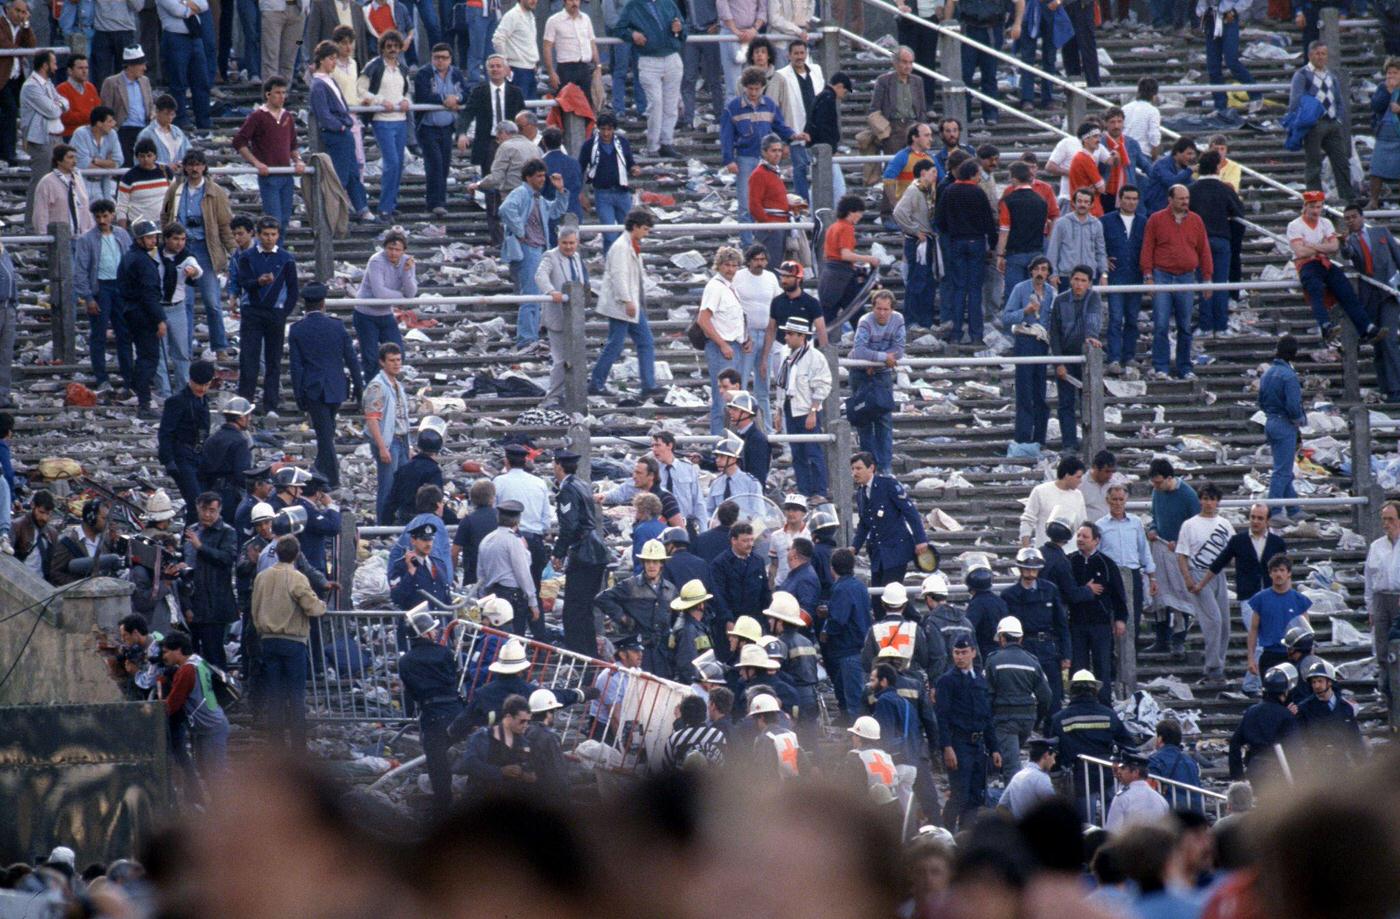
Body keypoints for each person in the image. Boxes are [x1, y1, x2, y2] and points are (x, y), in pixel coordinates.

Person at [251, 536, 327, 749]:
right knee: (295, 697)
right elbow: (312, 607)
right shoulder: (297, 578)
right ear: (296, 554)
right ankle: (298, 747)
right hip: (293, 642)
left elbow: (255, 608)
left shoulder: (262, 577)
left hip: (268, 640)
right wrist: (322, 605)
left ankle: (275, 746)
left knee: (275, 695)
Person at [288, 283, 363, 489]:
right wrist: (359, 388)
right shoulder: (337, 326)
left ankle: (331, 480)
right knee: (326, 432)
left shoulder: (297, 330)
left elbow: (296, 368)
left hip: (313, 389)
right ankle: (321, 473)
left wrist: (298, 395)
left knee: (324, 435)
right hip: (336, 388)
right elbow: (351, 360)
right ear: (323, 303)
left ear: (305, 305)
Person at [161, 150, 233, 360]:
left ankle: (220, 346)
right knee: (186, 302)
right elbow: (166, 216)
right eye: (190, 165)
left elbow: (224, 224)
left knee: (212, 301)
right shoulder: (176, 189)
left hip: (204, 248)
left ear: (204, 167)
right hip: (181, 249)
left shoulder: (214, 191)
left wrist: (233, 251)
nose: (194, 169)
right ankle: (185, 348)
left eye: (198, 165)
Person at [721, 69, 797, 250]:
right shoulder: (732, 107)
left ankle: (764, 240)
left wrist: (793, 136)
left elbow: (779, 126)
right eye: (750, 89)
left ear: (763, 87)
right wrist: (728, 159)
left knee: (766, 201)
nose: (753, 93)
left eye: (757, 89)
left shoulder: (770, 105)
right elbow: (726, 136)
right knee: (746, 202)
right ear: (744, 88)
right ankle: (748, 244)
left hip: (767, 160)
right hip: (745, 158)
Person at [1141, 184, 1210, 381]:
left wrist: (1207, 277)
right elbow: (1147, 248)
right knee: (1161, 324)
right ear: (1170, 199)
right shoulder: (1156, 219)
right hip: (1161, 275)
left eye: (1187, 198)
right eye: (1181, 198)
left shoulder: (1196, 220)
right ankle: (1161, 366)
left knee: (1185, 326)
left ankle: (1185, 367)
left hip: (1187, 276)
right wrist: (1148, 276)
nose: (1185, 202)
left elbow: (1204, 250)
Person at [396, 607, 463, 806]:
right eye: (433, 630)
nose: (436, 632)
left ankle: (443, 805)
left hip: (431, 715)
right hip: (455, 710)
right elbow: (453, 678)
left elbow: (412, 692)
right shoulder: (444, 653)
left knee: (437, 763)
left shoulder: (405, 661)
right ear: (425, 633)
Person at [589, 208, 658, 398]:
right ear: (635, 227)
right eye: (644, 229)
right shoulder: (621, 247)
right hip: (623, 305)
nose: (646, 233)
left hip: (631, 304)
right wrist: (627, 300)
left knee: (646, 342)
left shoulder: (632, 244)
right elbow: (618, 276)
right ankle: (596, 382)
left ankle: (649, 384)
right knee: (615, 345)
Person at [500, 160, 568, 351]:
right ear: (528, 177)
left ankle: (531, 336)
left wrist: (560, 191)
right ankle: (526, 338)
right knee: (531, 295)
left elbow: (555, 210)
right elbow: (505, 209)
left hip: (539, 248)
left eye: (543, 175)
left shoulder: (537, 197)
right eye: (538, 176)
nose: (542, 179)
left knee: (536, 295)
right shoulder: (521, 193)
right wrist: (520, 231)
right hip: (528, 250)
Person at [935, 638, 1001, 830]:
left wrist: (994, 748)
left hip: (978, 744)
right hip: (959, 743)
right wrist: (947, 747)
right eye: (956, 652)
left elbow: (986, 717)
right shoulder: (947, 681)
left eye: (964, 652)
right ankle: (945, 833)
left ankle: (965, 836)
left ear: (973, 652)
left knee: (975, 796)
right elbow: (942, 717)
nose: (960, 657)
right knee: (959, 794)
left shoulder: (979, 680)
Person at [234, 216, 298, 414]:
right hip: (252, 312)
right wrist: (258, 282)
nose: (270, 238)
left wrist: (284, 313)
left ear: (278, 235)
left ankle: (271, 404)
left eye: (273, 234)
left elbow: (293, 290)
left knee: (274, 362)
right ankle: (245, 404)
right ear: (258, 235)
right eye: (266, 234)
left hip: (275, 313)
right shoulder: (247, 256)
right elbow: (243, 282)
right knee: (249, 360)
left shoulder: (286, 258)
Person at [1050, 668, 1133, 817]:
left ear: (1072, 691)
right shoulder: (1108, 714)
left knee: (1086, 826)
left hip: (1079, 778)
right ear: (1095, 691)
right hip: (1107, 774)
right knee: (1113, 821)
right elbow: (1128, 744)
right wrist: (1119, 761)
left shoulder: (1059, 719)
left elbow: (1054, 752)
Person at [552, 449, 611, 654]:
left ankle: (577, 653)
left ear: (559, 465)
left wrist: (558, 552)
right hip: (595, 550)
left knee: (574, 610)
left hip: (584, 554)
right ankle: (589, 652)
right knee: (585, 608)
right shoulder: (582, 485)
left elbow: (569, 525)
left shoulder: (567, 490)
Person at [1341, 203, 1400, 403]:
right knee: (1378, 344)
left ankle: (1396, 388)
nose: (1350, 221)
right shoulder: (1349, 241)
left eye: (1353, 217)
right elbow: (1348, 255)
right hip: (1369, 297)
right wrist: (1343, 244)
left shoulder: (1381, 232)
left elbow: (1398, 257)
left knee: (1389, 339)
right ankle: (1386, 386)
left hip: (1388, 294)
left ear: (1362, 217)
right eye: (1347, 218)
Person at [934, 159, 997, 345]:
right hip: (976, 242)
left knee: (959, 289)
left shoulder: (949, 191)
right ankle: (976, 334)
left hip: (956, 242)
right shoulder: (978, 193)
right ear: (972, 174)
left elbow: (940, 220)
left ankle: (956, 333)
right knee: (975, 289)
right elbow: (988, 221)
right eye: (978, 174)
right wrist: (992, 245)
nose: (979, 177)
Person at [1177, 483, 1234, 686]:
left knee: (1225, 624)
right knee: (1214, 621)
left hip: (1218, 575)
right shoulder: (1190, 525)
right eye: (1205, 498)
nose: (1209, 503)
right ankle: (1213, 667)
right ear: (1200, 500)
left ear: (1218, 501)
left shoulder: (1225, 524)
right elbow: (1182, 555)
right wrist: (1188, 579)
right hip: (1198, 574)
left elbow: (1233, 550)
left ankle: (1218, 664)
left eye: (1212, 499)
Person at [610, 0, 684, 157]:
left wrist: (679, 28)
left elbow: (683, 29)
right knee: (656, 103)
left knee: (671, 105)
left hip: (672, 57)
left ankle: (666, 142)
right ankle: (652, 145)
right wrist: (632, 35)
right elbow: (618, 28)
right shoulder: (633, 5)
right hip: (648, 59)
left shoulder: (668, 3)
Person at [1001, 546, 1070, 713]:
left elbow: (1061, 624)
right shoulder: (1009, 594)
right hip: (1023, 646)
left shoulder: (1050, 590)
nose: (1031, 573)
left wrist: (1066, 654)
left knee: (1054, 693)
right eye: (1027, 568)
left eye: (1034, 569)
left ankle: (1051, 729)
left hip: (1047, 646)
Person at [309, 41, 372, 222]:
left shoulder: (330, 80)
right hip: (337, 134)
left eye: (335, 59)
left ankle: (361, 207)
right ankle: (335, 214)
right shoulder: (319, 84)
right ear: (321, 60)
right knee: (340, 176)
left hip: (344, 132)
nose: (333, 62)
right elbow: (324, 114)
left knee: (353, 172)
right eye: (330, 58)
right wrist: (340, 126)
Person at [231, 77, 305, 231]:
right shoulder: (258, 116)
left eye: (284, 93)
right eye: (277, 92)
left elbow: (293, 145)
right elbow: (239, 141)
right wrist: (256, 163)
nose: (282, 96)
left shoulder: (287, 116)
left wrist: (298, 160)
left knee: (284, 220)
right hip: (269, 175)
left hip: (286, 175)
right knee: (274, 220)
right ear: (268, 94)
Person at [845, 290, 905, 475]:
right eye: (878, 309)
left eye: (886, 309)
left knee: (884, 421)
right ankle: (868, 466)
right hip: (860, 372)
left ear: (892, 309)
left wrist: (877, 363)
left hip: (882, 373)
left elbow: (900, 349)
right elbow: (860, 350)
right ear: (873, 308)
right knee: (863, 420)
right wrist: (880, 358)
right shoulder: (865, 321)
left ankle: (885, 467)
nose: (882, 313)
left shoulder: (898, 320)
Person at [159, 630, 230, 789]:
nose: (164, 657)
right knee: (213, 775)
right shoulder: (198, 661)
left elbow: (174, 703)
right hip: (213, 724)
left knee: (216, 776)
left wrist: (155, 714)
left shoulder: (186, 671)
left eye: (166, 652)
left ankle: (227, 809)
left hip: (210, 728)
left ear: (177, 650)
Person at [985, 616, 1052, 780]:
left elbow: (987, 695)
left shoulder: (993, 660)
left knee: (1011, 768)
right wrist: (1036, 720)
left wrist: (987, 721)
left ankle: (1015, 803)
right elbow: (1046, 696)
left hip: (1005, 721)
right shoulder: (1032, 661)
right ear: (1021, 638)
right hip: (1027, 719)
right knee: (1013, 761)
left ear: (1001, 638)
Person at [356, 30, 412, 221]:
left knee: (400, 164)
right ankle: (384, 208)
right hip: (382, 120)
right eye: (389, 47)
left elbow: (407, 90)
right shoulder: (374, 66)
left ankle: (391, 203)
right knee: (392, 162)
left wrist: (406, 100)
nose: (393, 50)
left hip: (401, 120)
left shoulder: (402, 68)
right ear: (382, 48)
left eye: (396, 46)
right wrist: (379, 100)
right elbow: (360, 89)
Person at [851, 451, 930, 586]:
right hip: (877, 553)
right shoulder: (861, 493)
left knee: (891, 594)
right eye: (852, 469)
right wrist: (854, 547)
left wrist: (921, 540)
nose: (854, 473)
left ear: (871, 468)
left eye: (859, 468)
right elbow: (864, 523)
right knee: (877, 599)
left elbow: (910, 512)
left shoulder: (888, 485)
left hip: (896, 550)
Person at [1069, 522, 1127, 704]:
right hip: (1076, 623)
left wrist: (1120, 619)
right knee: (1078, 665)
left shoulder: (1107, 563)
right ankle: (1079, 702)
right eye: (1078, 536)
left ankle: (1104, 704)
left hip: (1100, 623)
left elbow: (1118, 594)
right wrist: (1084, 590)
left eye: (1085, 537)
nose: (1080, 540)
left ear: (1096, 540)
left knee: (1103, 664)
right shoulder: (1069, 561)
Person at [1188, 150, 1244, 338]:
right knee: (1220, 283)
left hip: (1199, 242)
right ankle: (1220, 326)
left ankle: (1204, 326)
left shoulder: (1192, 189)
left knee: (1205, 283)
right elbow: (1238, 212)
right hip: (1221, 239)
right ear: (1217, 167)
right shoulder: (1225, 189)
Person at [1288, 42, 1355, 199]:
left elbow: (1338, 100)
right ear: (1310, 55)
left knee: (1342, 162)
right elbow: (1295, 101)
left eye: (1323, 53)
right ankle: (1314, 199)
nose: (1320, 57)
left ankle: (1348, 198)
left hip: (1332, 123)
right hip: (1313, 125)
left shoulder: (1331, 76)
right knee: (1314, 164)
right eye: (1317, 53)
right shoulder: (1302, 75)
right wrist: (1308, 116)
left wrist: (1338, 119)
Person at [1000, 256, 1054, 450]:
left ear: (1048, 273)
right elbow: (1006, 317)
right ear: (1031, 271)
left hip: (1042, 342)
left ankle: (1039, 439)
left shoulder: (1051, 293)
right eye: (1038, 269)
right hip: (1024, 340)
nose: (1040, 273)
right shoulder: (1020, 289)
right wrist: (1026, 311)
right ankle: (1023, 438)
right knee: (1024, 391)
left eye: (1044, 269)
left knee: (1040, 392)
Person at [182, 492, 239, 671]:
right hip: (192, 601)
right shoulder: (191, 530)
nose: (207, 515)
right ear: (197, 508)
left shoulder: (226, 532)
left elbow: (227, 558)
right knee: (191, 654)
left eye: (212, 511)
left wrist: (201, 547)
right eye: (204, 510)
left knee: (213, 653)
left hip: (215, 604)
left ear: (219, 511)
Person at [774, 316, 830, 498]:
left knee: (813, 452)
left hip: (807, 410)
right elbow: (781, 386)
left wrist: (813, 411)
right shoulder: (786, 355)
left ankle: (819, 491)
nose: (786, 337)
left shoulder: (815, 357)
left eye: (790, 334)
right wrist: (779, 411)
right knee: (797, 453)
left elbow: (822, 386)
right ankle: (804, 490)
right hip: (791, 408)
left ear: (801, 336)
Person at [534, 226, 588, 406]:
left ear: (577, 243)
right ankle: (552, 397)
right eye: (565, 243)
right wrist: (551, 291)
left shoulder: (577, 257)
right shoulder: (550, 256)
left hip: (575, 317)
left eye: (572, 243)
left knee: (574, 358)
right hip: (557, 317)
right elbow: (540, 275)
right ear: (559, 242)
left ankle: (568, 393)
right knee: (560, 359)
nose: (568, 246)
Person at [412, 43, 467, 219]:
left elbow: (467, 92)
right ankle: (436, 203)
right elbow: (422, 95)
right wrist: (444, 99)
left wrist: (457, 98)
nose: (440, 61)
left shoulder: (456, 73)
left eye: (444, 58)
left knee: (444, 164)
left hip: (447, 127)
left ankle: (437, 200)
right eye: (437, 58)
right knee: (434, 163)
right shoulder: (424, 73)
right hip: (427, 127)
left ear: (450, 59)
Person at [116, 219, 164, 418]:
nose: (154, 240)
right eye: (150, 237)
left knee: (143, 356)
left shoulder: (128, 258)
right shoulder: (143, 262)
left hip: (130, 311)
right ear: (139, 239)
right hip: (143, 313)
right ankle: (144, 401)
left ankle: (137, 389)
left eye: (154, 237)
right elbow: (149, 293)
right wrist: (159, 319)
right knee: (149, 357)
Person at [363, 342, 414, 524]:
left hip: (401, 439)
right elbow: (372, 418)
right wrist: (382, 446)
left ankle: (396, 522)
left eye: (398, 360)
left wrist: (408, 444)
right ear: (382, 362)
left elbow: (403, 417)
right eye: (392, 360)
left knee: (401, 484)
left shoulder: (397, 385)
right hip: (388, 441)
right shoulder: (377, 386)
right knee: (387, 486)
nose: (396, 364)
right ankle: (382, 526)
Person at [818, 194, 880, 338]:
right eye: (859, 213)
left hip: (830, 275)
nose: (860, 216)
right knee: (854, 310)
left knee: (837, 313)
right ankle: (868, 340)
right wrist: (869, 258)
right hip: (842, 275)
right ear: (852, 212)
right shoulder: (846, 228)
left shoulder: (833, 227)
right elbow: (845, 255)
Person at [577, 113, 638, 253]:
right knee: (609, 234)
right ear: (598, 129)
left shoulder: (622, 143)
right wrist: (580, 193)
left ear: (613, 130)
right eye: (603, 129)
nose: (606, 133)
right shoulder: (589, 145)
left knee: (629, 232)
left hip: (622, 193)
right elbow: (580, 169)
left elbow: (630, 163)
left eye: (609, 129)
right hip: (602, 194)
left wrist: (634, 169)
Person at [1101, 185, 1144, 373]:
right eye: (1127, 198)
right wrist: (1103, 261)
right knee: (1116, 318)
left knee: (1132, 319)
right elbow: (1097, 243)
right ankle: (1114, 358)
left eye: (1135, 199)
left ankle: (1129, 356)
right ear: (1120, 199)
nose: (1131, 202)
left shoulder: (1144, 221)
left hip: (1136, 276)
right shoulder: (1106, 221)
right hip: (1116, 277)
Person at [1227, 663, 1296, 780]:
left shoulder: (1252, 711)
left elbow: (1235, 743)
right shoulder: (1285, 715)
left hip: (1254, 768)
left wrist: (1238, 776)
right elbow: (1294, 748)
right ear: (1284, 692)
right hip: (1278, 770)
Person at [1364, 501, 1400, 713]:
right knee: (1382, 649)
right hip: (1380, 600)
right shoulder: (1376, 546)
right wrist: (1370, 608)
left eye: (1391, 519)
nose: (1386, 524)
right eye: (1384, 520)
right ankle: (1385, 692)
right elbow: (1369, 579)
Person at [197, 397, 254, 526]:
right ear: (240, 418)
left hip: (208, 494)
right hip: (230, 496)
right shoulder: (240, 441)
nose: (250, 418)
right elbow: (242, 475)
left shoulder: (212, 439)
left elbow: (201, 471)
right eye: (248, 415)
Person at [385, 420, 447, 526]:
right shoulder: (434, 471)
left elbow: (391, 500)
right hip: (425, 521)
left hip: (404, 519)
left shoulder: (404, 469)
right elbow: (436, 501)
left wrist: (385, 527)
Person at [1046, 188, 1108, 289]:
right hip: (1066, 276)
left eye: (1086, 202)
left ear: (1091, 205)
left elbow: (1101, 252)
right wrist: (1053, 274)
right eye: (1079, 201)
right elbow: (1053, 250)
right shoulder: (1062, 223)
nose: (1082, 204)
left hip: (1089, 277)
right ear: (1073, 203)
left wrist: (1104, 274)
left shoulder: (1097, 224)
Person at [1020, 456, 1087, 548]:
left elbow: (1082, 524)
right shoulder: (1040, 491)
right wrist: (1026, 548)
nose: (1080, 481)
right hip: (1046, 552)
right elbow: (1027, 520)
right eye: (1078, 477)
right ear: (1067, 475)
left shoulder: (1078, 495)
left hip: (1071, 555)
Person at [31, 144, 93, 237]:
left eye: (75, 158)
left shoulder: (78, 179)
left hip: (82, 236)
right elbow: (41, 212)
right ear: (59, 160)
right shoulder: (47, 182)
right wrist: (43, 235)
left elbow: (85, 207)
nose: (74, 161)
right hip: (59, 238)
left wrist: (90, 230)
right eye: (70, 157)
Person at [1104, 751, 1170, 833]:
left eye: (1123, 768)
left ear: (1135, 772)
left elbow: (1112, 833)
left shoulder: (1123, 798)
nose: (1119, 771)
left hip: (1129, 845)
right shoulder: (1161, 801)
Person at [704, 433, 764, 520]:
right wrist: (711, 522)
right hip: (720, 530)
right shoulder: (716, 483)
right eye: (717, 456)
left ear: (734, 458)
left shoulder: (751, 483)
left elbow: (759, 515)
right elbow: (708, 511)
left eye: (722, 457)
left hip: (742, 530)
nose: (717, 460)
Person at [542, 0, 597, 94]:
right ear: (565, 1)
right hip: (566, 69)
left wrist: (598, 67)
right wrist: (551, 72)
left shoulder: (586, 19)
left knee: (586, 105)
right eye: (571, 0)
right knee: (567, 107)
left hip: (584, 68)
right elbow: (547, 47)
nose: (574, 3)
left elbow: (592, 43)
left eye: (576, 0)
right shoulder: (554, 20)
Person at [72, 107, 120, 203]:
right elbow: (83, 164)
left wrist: (96, 161)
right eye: (110, 121)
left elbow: (118, 162)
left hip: (102, 185)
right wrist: (108, 165)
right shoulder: (80, 133)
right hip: (81, 184)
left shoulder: (112, 134)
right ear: (99, 123)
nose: (114, 124)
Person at [1369, 61, 1400, 210]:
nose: (1391, 76)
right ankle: (1373, 200)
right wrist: (1388, 91)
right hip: (1384, 134)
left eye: (1395, 73)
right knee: (1376, 169)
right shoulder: (1382, 87)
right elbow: (1375, 106)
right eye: (1389, 73)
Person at [492, 0, 538, 98]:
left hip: (530, 69)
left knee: (530, 110)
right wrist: (504, 63)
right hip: (517, 70)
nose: (534, 1)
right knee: (519, 110)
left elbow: (529, 42)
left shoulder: (530, 16)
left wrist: (533, 62)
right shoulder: (512, 15)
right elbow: (498, 39)